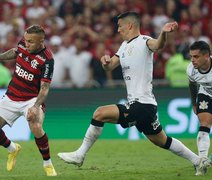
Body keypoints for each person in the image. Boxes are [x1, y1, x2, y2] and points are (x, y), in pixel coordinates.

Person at [58, 12, 211, 176]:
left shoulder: (144, 42)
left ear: (130, 25)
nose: (118, 30)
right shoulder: (124, 46)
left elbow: (158, 45)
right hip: (145, 106)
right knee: (162, 140)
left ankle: (80, 155)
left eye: (120, 26)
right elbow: (110, 67)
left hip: (142, 104)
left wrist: (163, 33)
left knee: (99, 113)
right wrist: (105, 62)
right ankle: (198, 161)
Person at [0, 25, 57, 176]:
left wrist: (36, 106)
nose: (26, 44)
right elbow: (15, 52)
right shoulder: (23, 44)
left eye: (31, 41)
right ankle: (12, 149)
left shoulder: (47, 60)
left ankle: (48, 164)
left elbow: (44, 88)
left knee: (36, 125)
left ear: (41, 41)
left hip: (31, 99)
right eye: (26, 40)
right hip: (12, 95)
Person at [187, 41, 212, 160]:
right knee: (204, 124)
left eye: (196, 56)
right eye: (191, 56)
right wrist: (193, 103)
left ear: (206, 56)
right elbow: (192, 85)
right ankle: (203, 160)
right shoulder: (191, 69)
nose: (192, 60)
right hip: (206, 93)